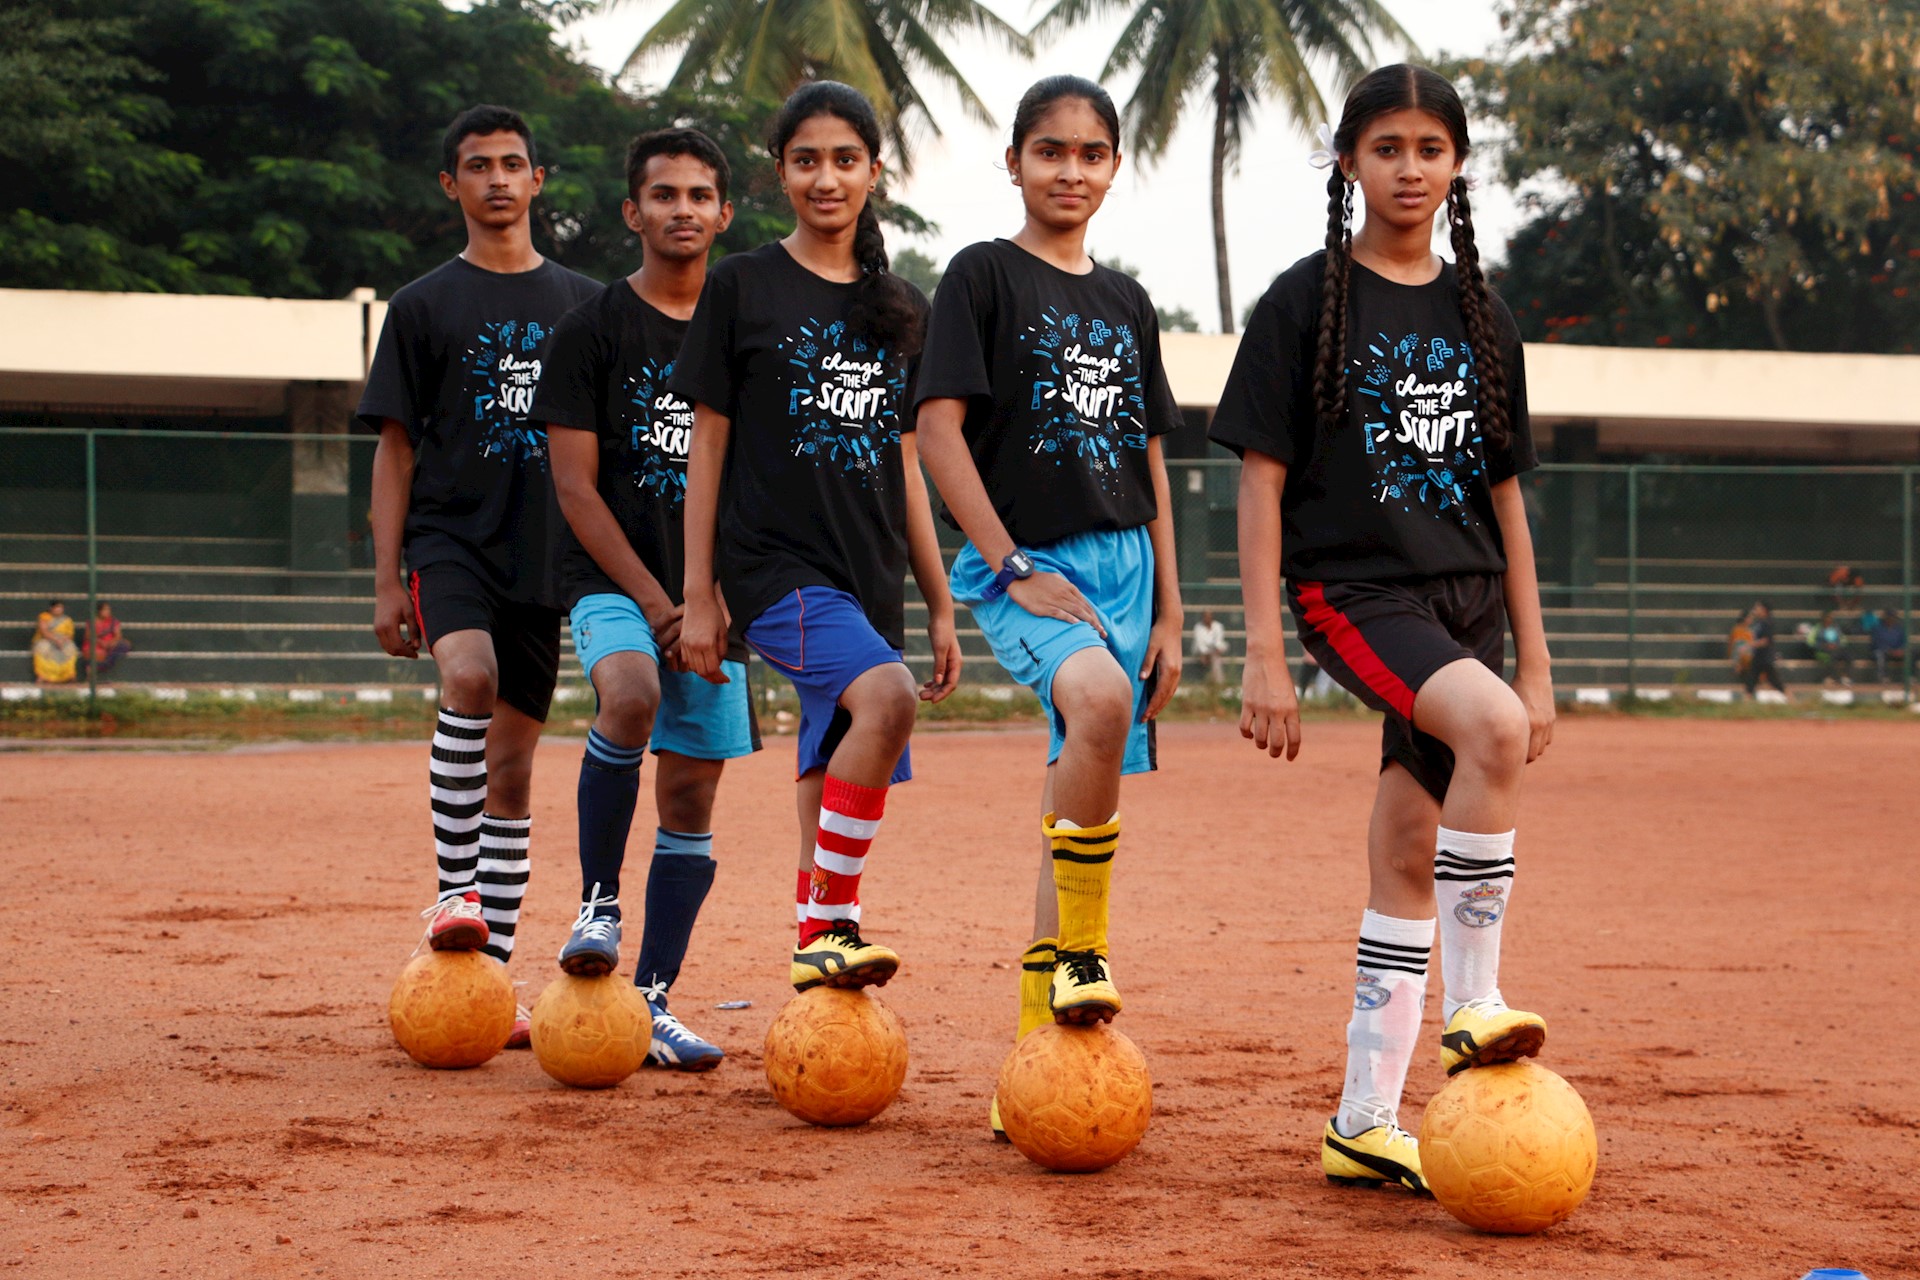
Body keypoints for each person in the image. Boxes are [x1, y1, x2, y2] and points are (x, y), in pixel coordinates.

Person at [1210, 65, 1554, 1196]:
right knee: (1489, 730)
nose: (1410, 168)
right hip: (1354, 594)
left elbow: (1508, 501)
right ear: (1347, 159)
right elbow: (1260, 483)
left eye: (1431, 148)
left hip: (1470, 602)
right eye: (1387, 147)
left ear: (1458, 164)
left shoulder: (1483, 314)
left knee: (1412, 850)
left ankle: (1363, 1119)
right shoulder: (1304, 301)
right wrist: (1264, 647)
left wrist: (1540, 662)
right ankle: (1476, 1004)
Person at [914, 74, 1185, 1140]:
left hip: (1127, 565)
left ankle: (1031, 1056)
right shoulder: (980, 276)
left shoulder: (1128, 301)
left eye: (1090, 153)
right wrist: (1009, 559)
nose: (1070, 170)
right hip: (1029, 563)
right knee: (1096, 703)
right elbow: (938, 431)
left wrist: (1171, 606)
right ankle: (1085, 953)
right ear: (1015, 160)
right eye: (1049, 151)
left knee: (1073, 802)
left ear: (1114, 166)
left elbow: (1149, 457)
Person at [672, 82, 961, 996]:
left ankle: (817, 945)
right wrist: (698, 591)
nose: (826, 178)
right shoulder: (741, 285)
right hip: (771, 566)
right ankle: (831, 921)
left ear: (874, 172)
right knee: (885, 699)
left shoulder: (903, 306)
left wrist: (942, 601)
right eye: (807, 160)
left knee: (827, 751)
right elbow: (706, 448)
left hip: (869, 571)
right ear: (781, 173)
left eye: (845, 160)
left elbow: (908, 468)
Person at [360, 105, 599, 1046]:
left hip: (544, 555)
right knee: (469, 679)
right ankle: (452, 896)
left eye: (512, 164)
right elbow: (394, 452)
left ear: (539, 180)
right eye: (477, 166)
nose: (497, 179)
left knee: (512, 767)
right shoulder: (421, 307)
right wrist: (387, 580)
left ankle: (487, 979)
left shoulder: (587, 304)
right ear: (450, 186)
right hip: (449, 541)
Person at [532, 127, 755, 1072]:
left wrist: (716, 592)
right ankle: (597, 901)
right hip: (616, 581)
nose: (683, 210)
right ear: (633, 212)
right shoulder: (592, 329)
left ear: (725, 213)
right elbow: (576, 488)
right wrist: (661, 600)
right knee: (629, 694)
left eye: (701, 195)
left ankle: (654, 1002)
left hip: (718, 593)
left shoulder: (745, 329)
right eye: (664, 194)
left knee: (694, 788)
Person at [1744, 599, 1786, 697]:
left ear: (1764, 609)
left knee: (1776, 683)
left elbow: (1766, 640)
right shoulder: (1759, 622)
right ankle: (1745, 704)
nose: (1755, 609)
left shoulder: (1767, 622)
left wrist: (1751, 645)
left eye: (1757, 607)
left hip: (1765, 658)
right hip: (1758, 658)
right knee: (1750, 682)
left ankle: (1792, 702)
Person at [32, 600, 78, 685]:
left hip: (63, 640)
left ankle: (69, 675)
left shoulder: (67, 620)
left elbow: (70, 635)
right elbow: (44, 632)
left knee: (70, 648)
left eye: (60, 608)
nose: (59, 610)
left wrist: (62, 640)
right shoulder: (44, 617)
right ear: (51, 608)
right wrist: (56, 640)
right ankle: (42, 676)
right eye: (57, 607)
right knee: (42, 648)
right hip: (47, 639)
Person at [83, 601, 131, 677]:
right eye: (105, 610)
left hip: (110, 644)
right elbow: (87, 636)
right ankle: (95, 667)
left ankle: (96, 668)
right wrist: (100, 642)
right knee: (97, 653)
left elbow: (118, 635)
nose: (107, 612)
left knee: (125, 645)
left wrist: (110, 643)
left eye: (109, 610)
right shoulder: (92, 621)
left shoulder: (113, 621)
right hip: (96, 644)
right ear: (99, 611)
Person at [1809, 610, 1851, 686]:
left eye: (1830, 618)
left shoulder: (1836, 628)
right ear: (1823, 619)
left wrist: (1836, 645)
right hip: (1822, 650)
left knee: (1848, 656)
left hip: (1836, 649)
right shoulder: (1816, 628)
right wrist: (1824, 645)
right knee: (1832, 657)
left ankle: (1845, 677)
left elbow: (1843, 640)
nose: (1829, 620)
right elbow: (1810, 642)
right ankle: (1833, 679)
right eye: (1827, 618)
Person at [1192, 609, 1229, 683]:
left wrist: (1215, 650)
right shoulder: (1198, 627)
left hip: (1214, 651)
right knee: (1215, 659)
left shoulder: (1218, 626)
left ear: (1212, 617)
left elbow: (1218, 641)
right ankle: (1219, 681)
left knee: (1217, 655)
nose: (1207, 618)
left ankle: (1217, 681)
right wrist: (1206, 653)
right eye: (1205, 616)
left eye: (1209, 616)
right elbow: (1199, 644)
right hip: (1200, 651)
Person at [1870, 611, 1906, 684]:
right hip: (1882, 651)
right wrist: (1889, 650)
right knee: (1880, 654)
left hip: (1896, 652)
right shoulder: (1877, 629)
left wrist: (1900, 650)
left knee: (1910, 654)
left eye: (1893, 618)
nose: (1891, 620)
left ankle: (1910, 677)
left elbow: (1903, 642)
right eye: (1889, 618)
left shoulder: (1899, 629)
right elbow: (1876, 643)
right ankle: (1883, 677)